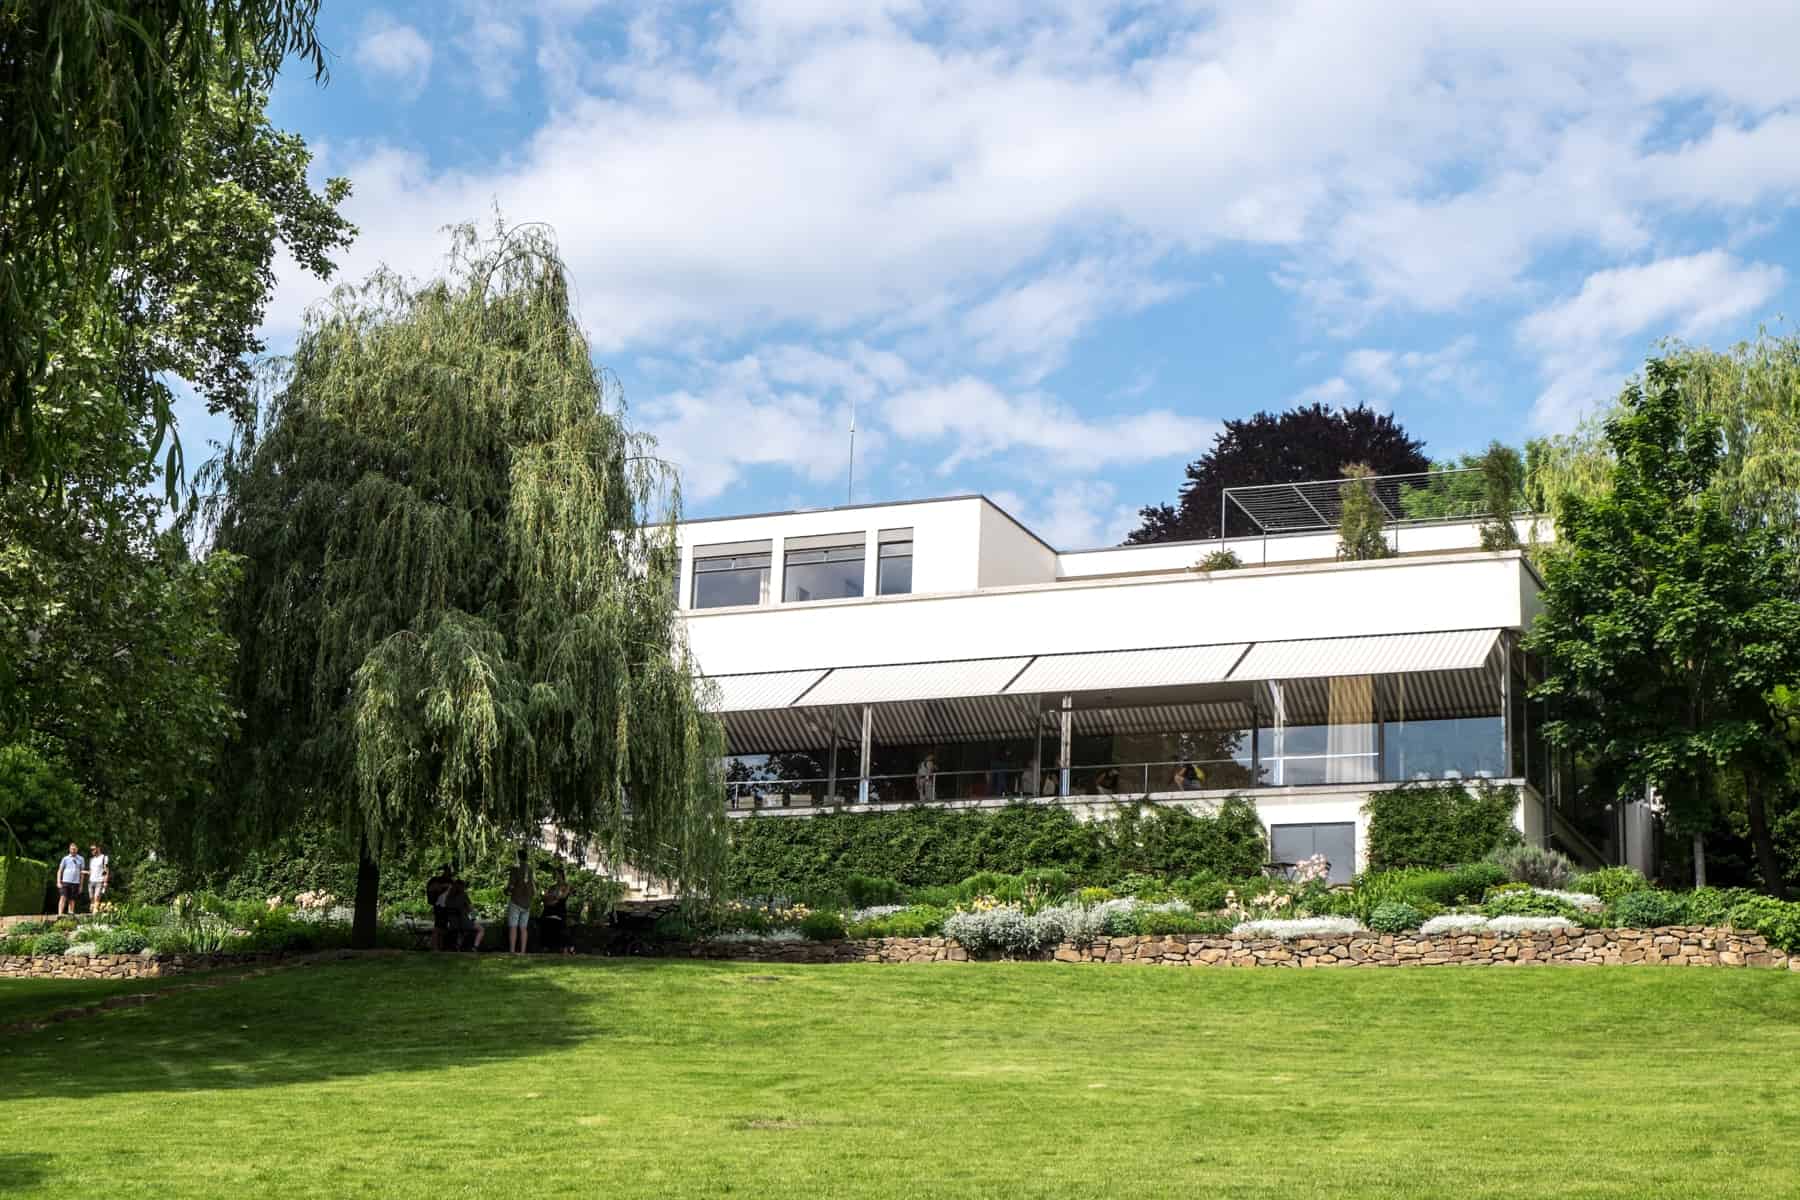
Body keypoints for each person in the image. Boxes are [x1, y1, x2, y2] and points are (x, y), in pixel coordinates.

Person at [505, 850, 536, 955]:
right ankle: (523, 951)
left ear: (518, 857)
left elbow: (511, 884)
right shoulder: (530, 869)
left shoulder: (515, 868)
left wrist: (507, 890)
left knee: (513, 926)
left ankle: (512, 951)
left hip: (516, 900)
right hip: (527, 902)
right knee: (523, 928)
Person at [442, 879, 484, 951]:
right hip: (463, 923)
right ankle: (474, 947)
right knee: (481, 929)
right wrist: (474, 919)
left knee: (461, 931)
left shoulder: (448, 897)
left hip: (453, 924)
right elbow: (471, 909)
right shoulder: (463, 895)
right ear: (462, 887)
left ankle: (458, 947)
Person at [540, 867, 573, 956]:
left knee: (561, 926)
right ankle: (545, 947)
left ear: (561, 875)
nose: (556, 876)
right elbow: (546, 898)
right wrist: (553, 898)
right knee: (544, 922)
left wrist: (553, 897)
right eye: (555, 875)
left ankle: (565, 949)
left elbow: (561, 897)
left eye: (557, 874)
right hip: (549, 909)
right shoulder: (552, 887)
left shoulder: (566, 886)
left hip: (560, 910)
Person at [426, 863, 455, 951]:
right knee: (438, 927)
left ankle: (440, 947)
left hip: (447, 908)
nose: (448, 873)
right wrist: (443, 886)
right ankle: (435, 947)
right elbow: (431, 889)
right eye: (447, 871)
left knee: (443, 927)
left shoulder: (450, 881)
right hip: (439, 906)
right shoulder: (436, 880)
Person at [56, 842, 84, 915]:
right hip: (65, 881)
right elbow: (60, 870)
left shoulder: (81, 859)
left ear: (77, 849)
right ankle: (60, 914)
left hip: (76, 882)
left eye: (74, 849)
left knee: (72, 899)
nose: (73, 850)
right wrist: (58, 882)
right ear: (69, 849)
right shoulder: (65, 858)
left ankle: (70, 914)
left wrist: (81, 885)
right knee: (63, 897)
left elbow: (82, 873)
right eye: (72, 849)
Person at [86, 843, 109, 909]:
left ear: (98, 848)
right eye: (91, 849)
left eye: (93, 849)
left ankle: (94, 914)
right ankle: (93, 913)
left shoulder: (104, 857)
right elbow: (91, 871)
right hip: (91, 881)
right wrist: (83, 872)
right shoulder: (91, 859)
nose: (92, 851)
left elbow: (106, 870)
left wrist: (105, 881)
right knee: (91, 898)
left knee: (97, 897)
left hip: (99, 881)